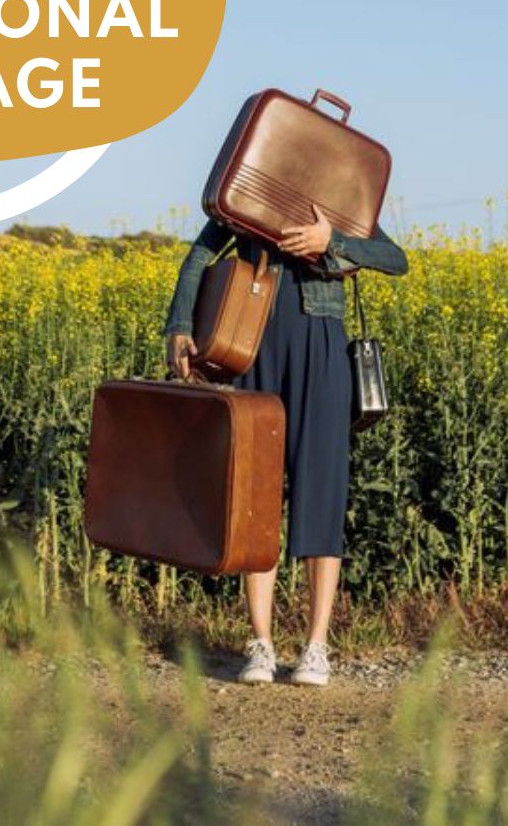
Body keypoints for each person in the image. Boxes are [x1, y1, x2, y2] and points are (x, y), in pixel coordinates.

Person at [163, 202, 408, 686]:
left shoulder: (338, 190)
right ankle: (261, 644)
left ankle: (316, 647)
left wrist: (330, 241)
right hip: (252, 340)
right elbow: (199, 255)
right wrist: (179, 327)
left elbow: (393, 257)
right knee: (256, 494)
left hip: (322, 342)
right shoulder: (256, 182)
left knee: (323, 488)